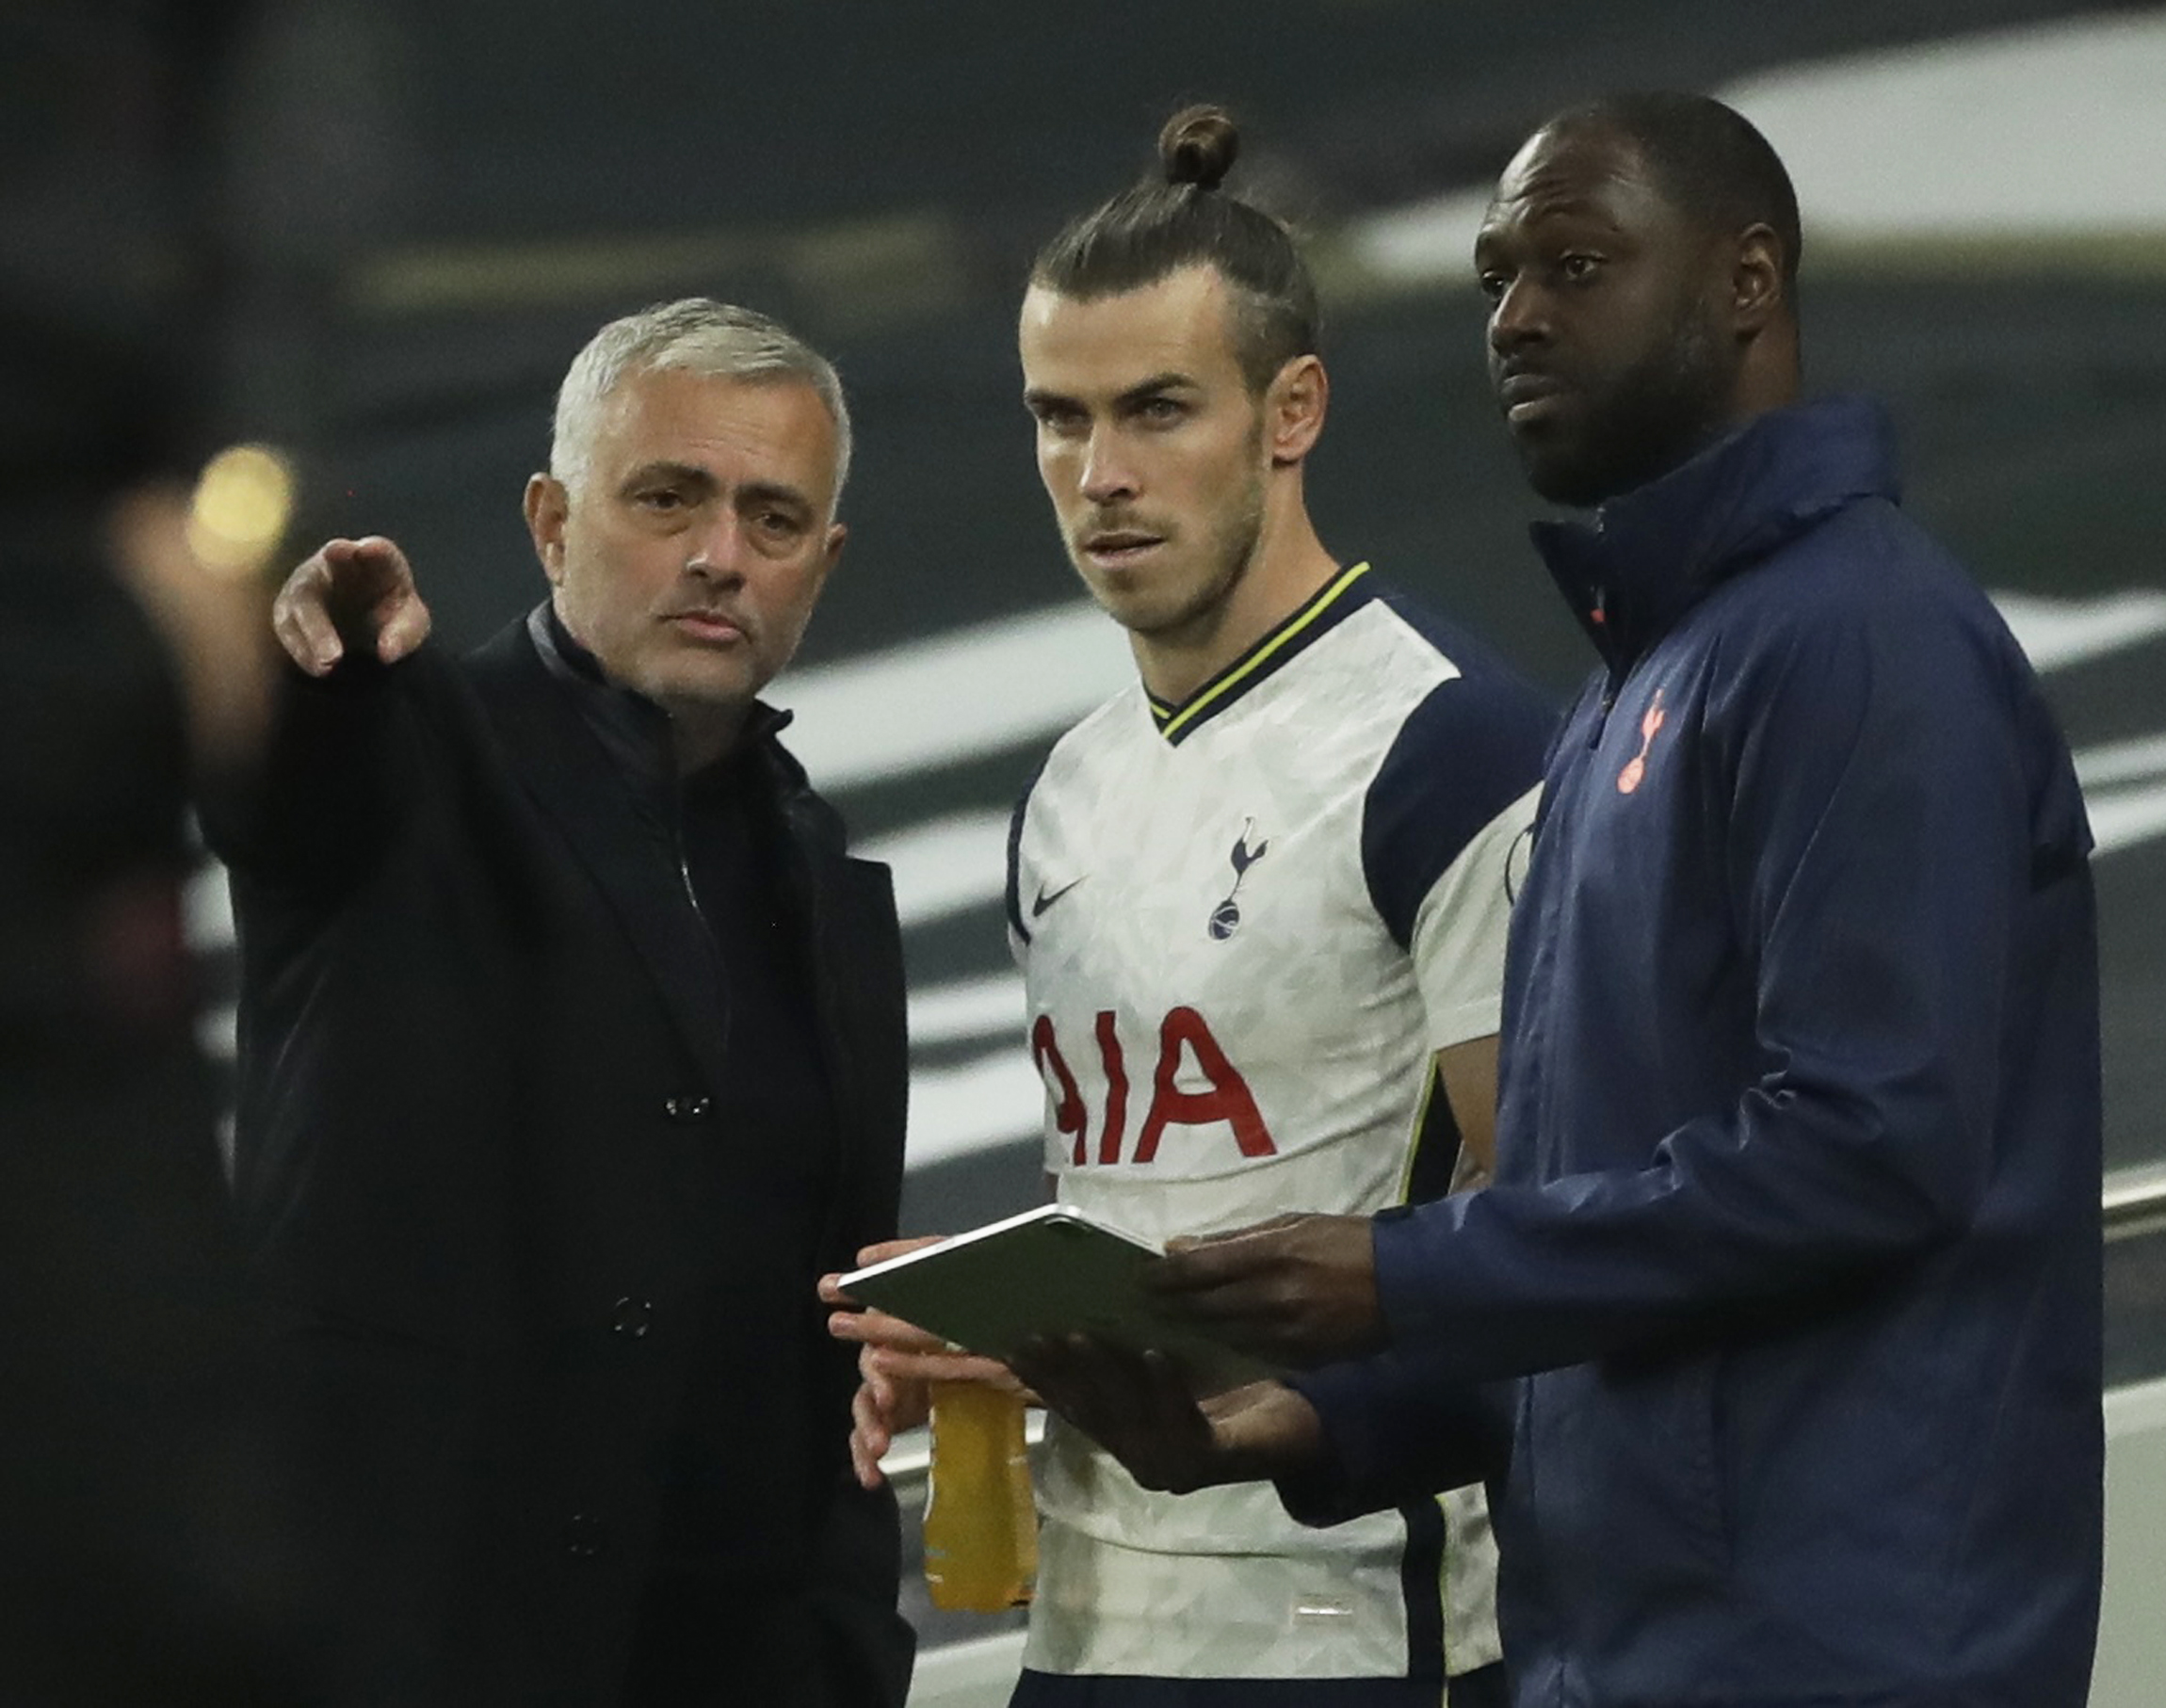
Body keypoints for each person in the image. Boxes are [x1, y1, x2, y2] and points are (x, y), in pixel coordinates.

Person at [1011, 93, 2106, 1708]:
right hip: (1635, 1643)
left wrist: (1400, 1278)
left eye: (1578, 264)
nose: (1517, 317)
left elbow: (1874, 1147)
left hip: (1838, 1646)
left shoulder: (1861, 644)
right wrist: (1327, 1417)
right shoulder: (1635, 683)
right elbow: (1601, 1243)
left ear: (1747, 283)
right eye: (1494, 278)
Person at [827, 107, 1551, 1707]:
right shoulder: (1067, 790)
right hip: (1088, 1628)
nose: (1101, 475)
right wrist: (1000, 1318)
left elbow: (1554, 1259)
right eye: (1058, 417)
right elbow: (1141, 1191)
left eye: (1158, 409)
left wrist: (1273, 1421)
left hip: (1356, 1632)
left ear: (1293, 411)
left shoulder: (1446, 748)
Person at [208, 298, 915, 1706]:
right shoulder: (406, 768)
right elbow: (293, 788)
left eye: (775, 520)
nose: (720, 555)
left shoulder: (826, 882)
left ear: (822, 564)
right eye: (669, 498)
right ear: (550, 519)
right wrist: (319, 673)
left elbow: (831, 1316)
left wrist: (847, 1629)